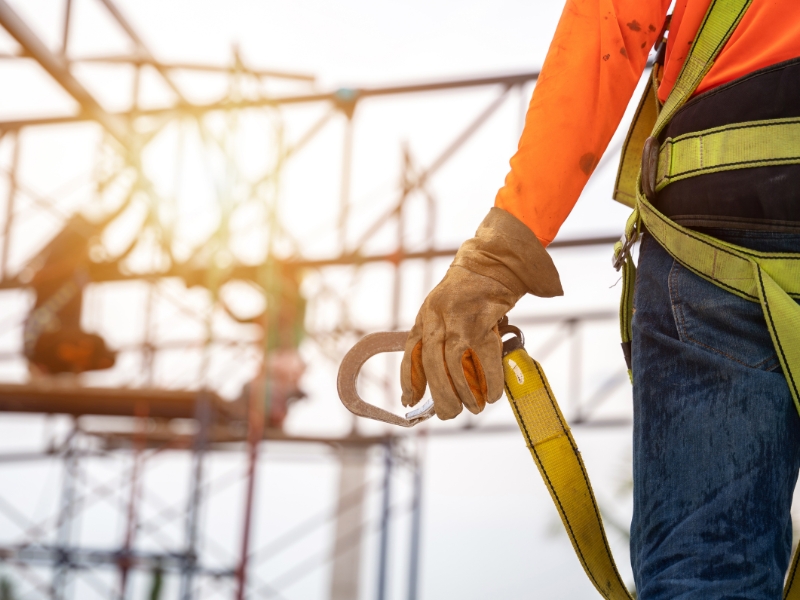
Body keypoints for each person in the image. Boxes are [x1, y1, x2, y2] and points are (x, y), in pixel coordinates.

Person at [399, 1, 800, 597]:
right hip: (716, 226)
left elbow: (611, 23)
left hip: (717, 225)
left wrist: (499, 254)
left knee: (709, 568)